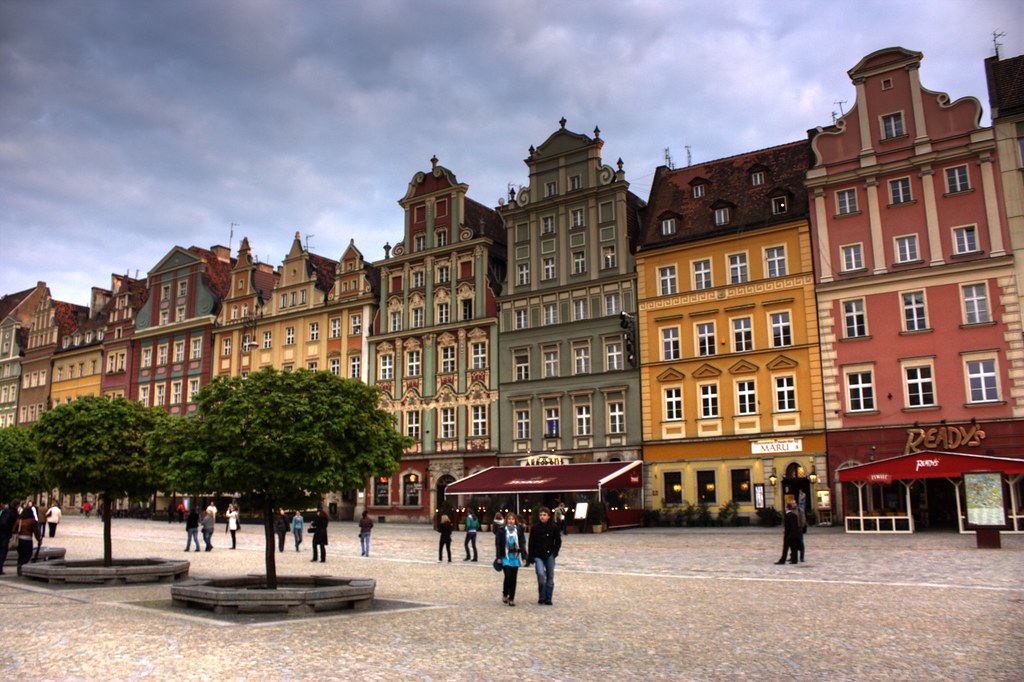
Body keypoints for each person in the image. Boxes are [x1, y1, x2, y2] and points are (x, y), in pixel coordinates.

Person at [527, 506, 561, 605]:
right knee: (541, 574)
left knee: (550, 576)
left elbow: (558, 541)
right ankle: (541, 596)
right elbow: (531, 543)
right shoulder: (535, 528)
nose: (542, 517)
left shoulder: (553, 527)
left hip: (549, 554)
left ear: (549, 516)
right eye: (541, 515)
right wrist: (530, 557)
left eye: (544, 515)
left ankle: (548, 598)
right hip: (538, 555)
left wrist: (554, 553)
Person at [496, 512, 527, 606]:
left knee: (513, 578)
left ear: (515, 521)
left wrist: (524, 556)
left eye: (513, 519)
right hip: (505, 556)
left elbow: (522, 543)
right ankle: (505, 593)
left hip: (515, 556)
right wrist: (498, 557)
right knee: (508, 576)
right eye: (509, 519)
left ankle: (511, 598)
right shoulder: (501, 530)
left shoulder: (519, 530)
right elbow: (498, 544)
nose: (511, 521)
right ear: (506, 520)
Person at [13, 507, 38, 576]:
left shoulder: (19, 520)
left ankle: (19, 567)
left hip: (20, 539)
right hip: (28, 539)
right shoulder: (32, 521)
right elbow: (36, 532)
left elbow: (14, 530)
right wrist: (39, 539)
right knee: (28, 554)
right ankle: (22, 566)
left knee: (21, 554)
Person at [0, 499, 17, 574]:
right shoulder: (14, 513)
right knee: (3, 552)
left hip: (1, 532)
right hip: (7, 534)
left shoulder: (5, 511)